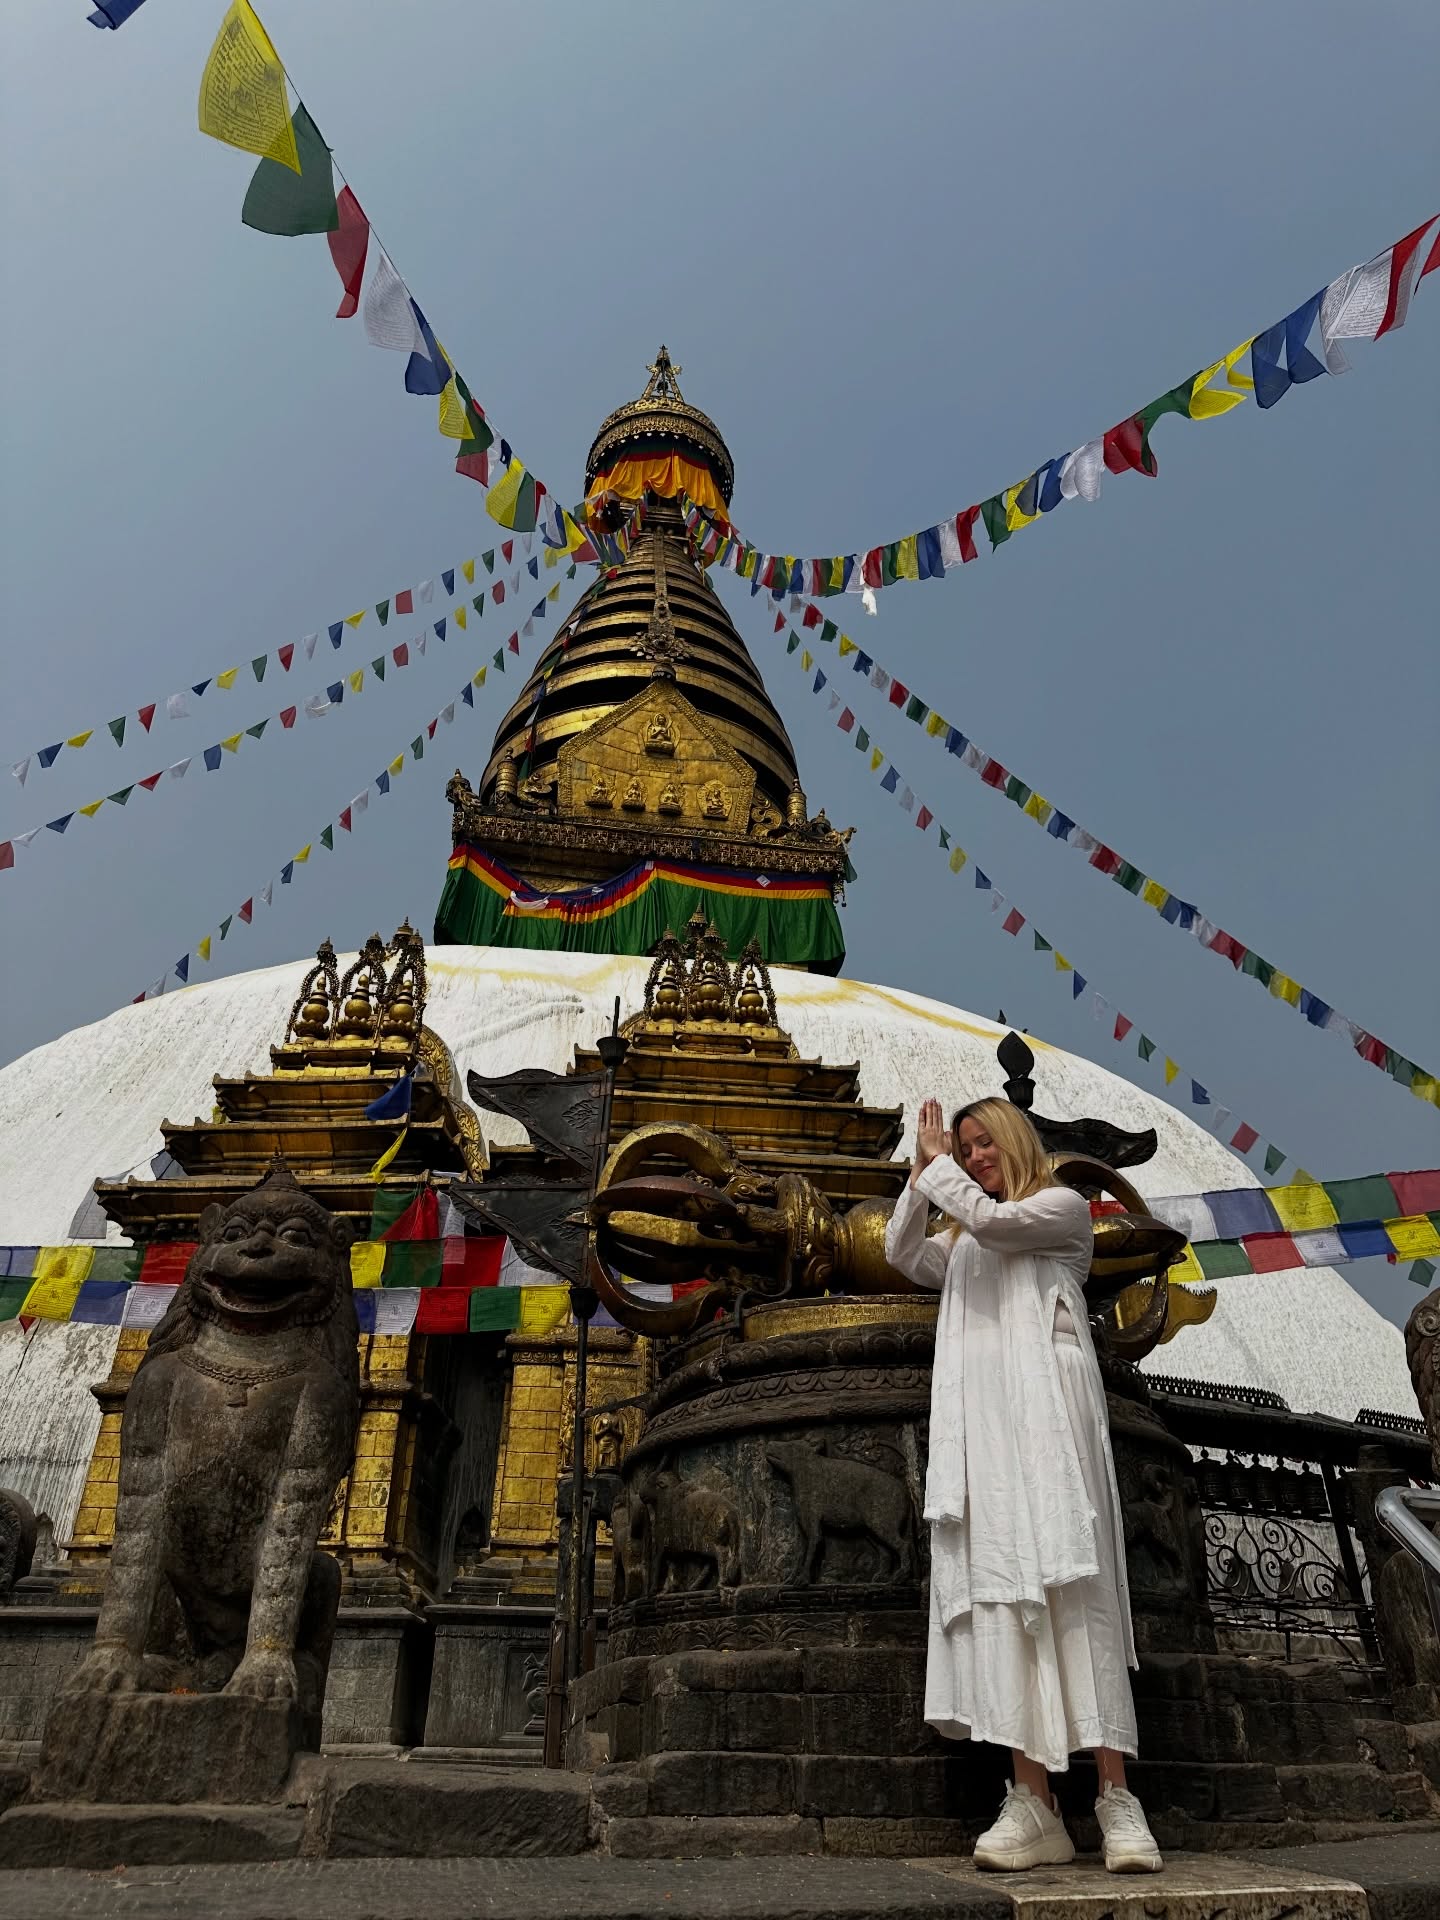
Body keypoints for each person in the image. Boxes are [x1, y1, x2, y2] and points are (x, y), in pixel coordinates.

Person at [884, 1094, 1162, 1874]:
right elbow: (901, 1250)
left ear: (1015, 1140)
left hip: (1050, 1418)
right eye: (965, 1147)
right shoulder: (962, 1241)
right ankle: (1033, 1800)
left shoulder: (1059, 1209)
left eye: (984, 1144)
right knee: (1002, 1586)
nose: (975, 1157)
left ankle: (1115, 1795)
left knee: (1077, 1582)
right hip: (986, 1424)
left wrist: (941, 1173)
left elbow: (995, 1224)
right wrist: (920, 1174)